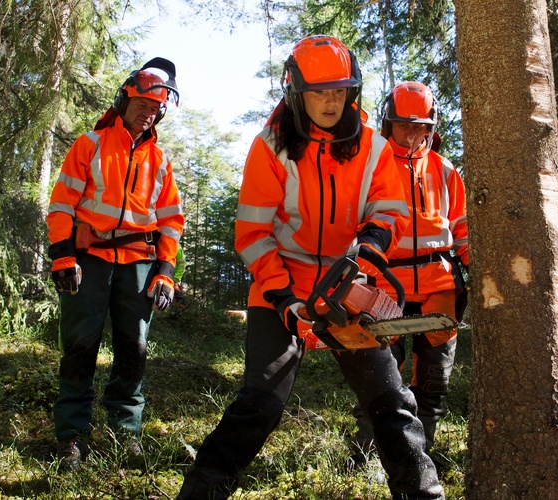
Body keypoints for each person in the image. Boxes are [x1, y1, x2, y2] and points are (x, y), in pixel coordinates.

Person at [175, 35, 443, 499]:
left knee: (392, 402)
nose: (330, 101)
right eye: (320, 92)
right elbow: (253, 234)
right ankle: (201, 491)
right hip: (281, 282)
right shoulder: (272, 147)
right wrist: (282, 297)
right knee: (261, 400)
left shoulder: (373, 147)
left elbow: (389, 209)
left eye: (339, 91)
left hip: (347, 282)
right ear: (296, 93)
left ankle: (423, 494)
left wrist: (371, 246)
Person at [46, 57, 184, 471]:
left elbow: (171, 220)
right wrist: (62, 254)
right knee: (80, 346)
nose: (147, 112)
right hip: (88, 260)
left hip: (139, 264)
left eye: (154, 107)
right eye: (141, 103)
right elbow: (62, 204)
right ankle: (71, 436)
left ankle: (126, 434)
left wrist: (166, 271)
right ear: (124, 101)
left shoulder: (160, 159)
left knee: (133, 350)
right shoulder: (90, 144)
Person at [352, 81, 468, 464]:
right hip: (386, 285)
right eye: (404, 125)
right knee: (381, 378)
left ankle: (422, 456)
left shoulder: (446, 170)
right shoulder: (372, 165)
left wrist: (474, 267)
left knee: (433, 381)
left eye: (420, 126)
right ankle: (367, 455)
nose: (412, 134)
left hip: (440, 286)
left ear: (432, 127)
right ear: (389, 123)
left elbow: (463, 229)